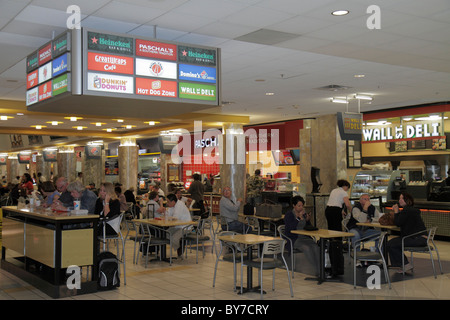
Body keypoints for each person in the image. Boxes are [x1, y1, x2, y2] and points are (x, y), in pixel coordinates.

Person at [387, 192, 427, 273]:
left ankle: (404, 264)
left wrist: (396, 211)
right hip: (419, 238)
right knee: (391, 243)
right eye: (399, 198)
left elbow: (398, 222)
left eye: (402, 198)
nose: (400, 200)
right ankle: (403, 264)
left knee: (391, 244)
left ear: (408, 200)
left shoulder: (407, 210)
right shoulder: (410, 210)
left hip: (417, 239)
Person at [284, 196, 320, 275]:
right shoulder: (289, 214)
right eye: (299, 206)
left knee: (316, 247)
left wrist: (307, 220)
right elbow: (290, 228)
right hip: (294, 238)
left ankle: (321, 269)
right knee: (307, 248)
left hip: (304, 237)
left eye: (302, 206)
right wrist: (298, 218)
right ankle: (317, 270)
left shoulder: (304, 214)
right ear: (294, 205)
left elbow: (308, 227)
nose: (301, 208)